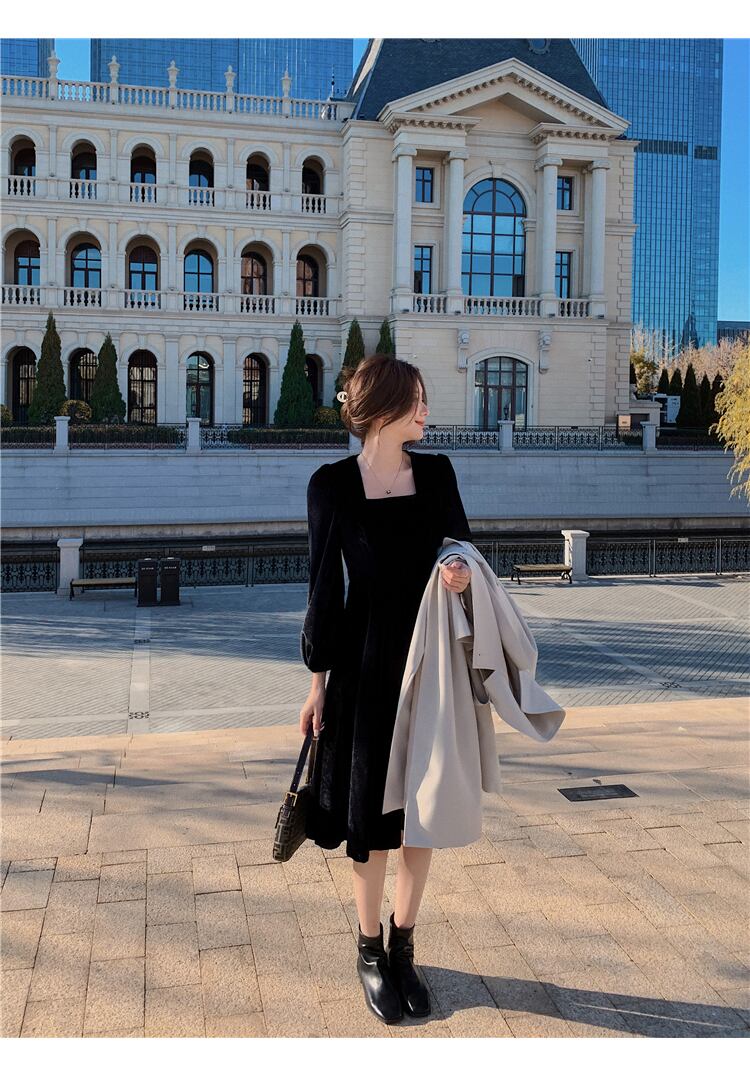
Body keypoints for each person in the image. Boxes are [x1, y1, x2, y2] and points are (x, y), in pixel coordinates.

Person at [298, 353, 473, 1025]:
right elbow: (323, 590)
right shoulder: (331, 486)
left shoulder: (438, 473)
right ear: (383, 407)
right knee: (369, 817)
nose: (427, 411)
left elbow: (460, 546)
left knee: (421, 812)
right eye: (417, 400)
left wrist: (457, 568)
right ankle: (369, 949)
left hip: (428, 659)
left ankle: (404, 946)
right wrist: (317, 684)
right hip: (363, 667)